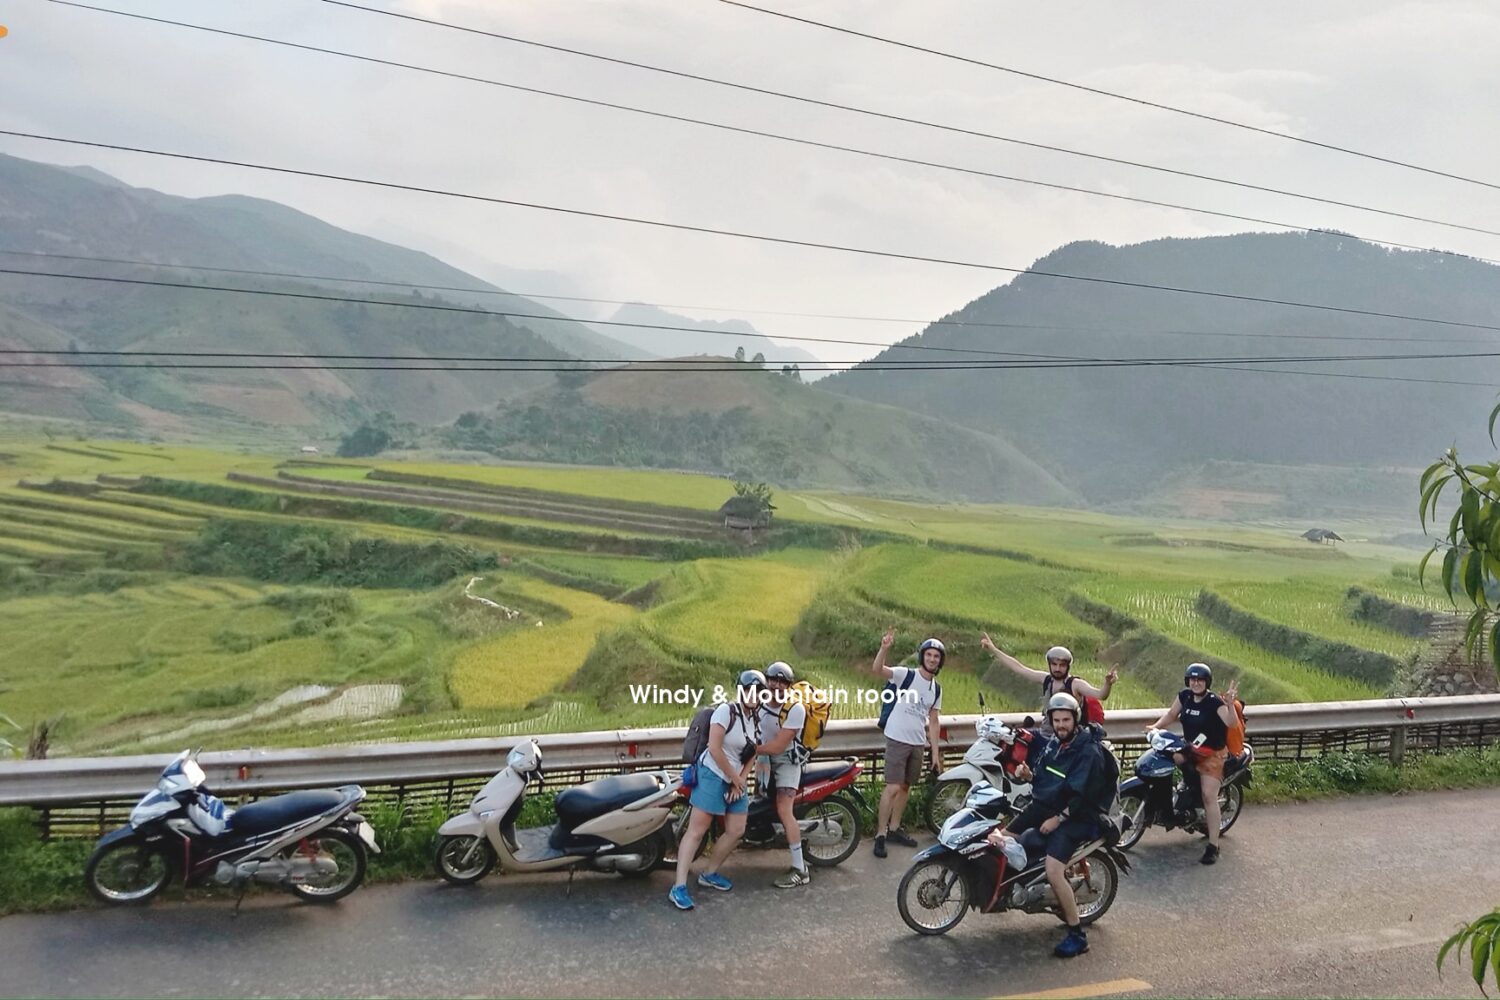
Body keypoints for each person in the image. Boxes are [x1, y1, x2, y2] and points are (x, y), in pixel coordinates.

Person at [986, 692, 1108, 959]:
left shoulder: (1088, 752)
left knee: (1054, 870)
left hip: (1078, 817)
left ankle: (1077, 936)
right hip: (1047, 805)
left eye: (1066, 719)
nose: (1061, 724)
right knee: (1004, 838)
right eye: (1057, 720)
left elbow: (1083, 796)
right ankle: (1004, 894)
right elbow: (1046, 776)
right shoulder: (1055, 744)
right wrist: (1029, 775)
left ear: (1075, 720)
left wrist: (1057, 820)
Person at [669, 670, 763, 910]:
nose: (753, 696)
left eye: (758, 692)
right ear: (740, 691)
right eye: (749, 690)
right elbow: (714, 749)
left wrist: (740, 780)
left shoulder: (756, 718)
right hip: (712, 774)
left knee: (736, 829)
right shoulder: (725, 712)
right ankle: (678, 886)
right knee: (697, 830)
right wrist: (733, 778)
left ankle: (709, 873)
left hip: (735, 779)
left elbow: (752, 752)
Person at [1147, 663, 1241, 866]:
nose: (1196, 683)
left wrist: (1230, 704)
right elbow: (1171, 715)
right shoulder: (1185, 696)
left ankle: (1213, 845)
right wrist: (1154, 727)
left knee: (1209, 796)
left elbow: (1231, 723)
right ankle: (1172, 805)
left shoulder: (1214, 702)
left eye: (1200, 680)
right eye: (1192, 679)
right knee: (1167, 759)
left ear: (1207, 682)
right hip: (1191, 748)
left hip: (1212, 755)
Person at [869, 628, 944, 859]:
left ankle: (894, 828)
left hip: (917, 742)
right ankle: (880, 835)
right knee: (891, 787)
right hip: (897, 738)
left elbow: (933, 721)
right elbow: (878, 670)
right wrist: (884, 648)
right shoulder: (906, 675)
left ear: (940, 661)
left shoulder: (936, 689)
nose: (932, 659)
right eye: (929, 654)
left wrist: (934, 753)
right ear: (923, 656)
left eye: (936, 656)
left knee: (905, 787)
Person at [980, 634, 1117, 734]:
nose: (1057, 669)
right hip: (1046, 734)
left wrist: (1108, 684)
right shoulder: (1046, 680)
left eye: (1062, 665)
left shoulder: (1075, 685)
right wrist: (993, 649)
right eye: (1054, 665)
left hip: (1068, 737)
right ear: (1049, 665)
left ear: (1068, 666)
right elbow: (1019, 668)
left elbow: (1100, 695)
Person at [753, 661, 811, 888]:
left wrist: (750, 749)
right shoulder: (760, 700)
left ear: (789, 685)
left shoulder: (795, 708)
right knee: (759, 800)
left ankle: (800, 869)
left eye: (782, 682)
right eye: (772, 680)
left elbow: (778, 746)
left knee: (784, 809)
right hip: (764, 758)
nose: (776, 685)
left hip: (786, 759)